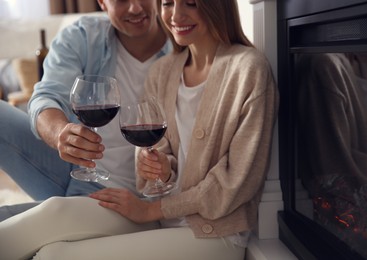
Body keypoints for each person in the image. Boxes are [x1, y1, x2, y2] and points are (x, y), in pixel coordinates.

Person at [0, 0, 279, 259]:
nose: (176, 15)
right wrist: (159, 168)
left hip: (211, 230)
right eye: (169, 2)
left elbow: (236, 182)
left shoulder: (248, 69)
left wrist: (152, 208)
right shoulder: (165, 70)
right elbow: (163, 157)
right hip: (150, 213)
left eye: (191, 3)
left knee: (53, 255)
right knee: (52, 215)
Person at [0, 0, 171, 219]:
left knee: (11, 223)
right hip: (76, 173)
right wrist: (59, 133)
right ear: (102, 2)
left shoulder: (183, 48)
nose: (135, 8)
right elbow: (47, 96)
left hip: (131, 197)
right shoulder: (83, 36)